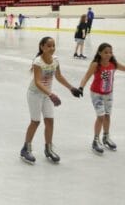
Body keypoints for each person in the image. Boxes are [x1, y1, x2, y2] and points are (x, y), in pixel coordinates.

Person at [20, 36, 83, 164]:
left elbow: (59, 76)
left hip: (47, 95)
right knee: (35, 121)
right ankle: (26, 148)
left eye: (53, 45)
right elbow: (37, 82)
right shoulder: (38, 62)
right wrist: (51, 94)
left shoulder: (55, 60)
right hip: (35, 94)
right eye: (49, 46)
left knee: (50, 121)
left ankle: (48, 149)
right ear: (42, 47)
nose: (52, 48)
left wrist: (71, 88)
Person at [78, 43, 125, 154]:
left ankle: (106, 137)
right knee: (100, 117)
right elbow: (86, 76)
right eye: (105, 52)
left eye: (110, 52)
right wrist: (81, 88)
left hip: (108, 94)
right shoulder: (96, 64)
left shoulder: (113, 64)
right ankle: (96, 140)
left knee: (107, 116)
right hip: (96, 94)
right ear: (99, 53)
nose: (108, 54)